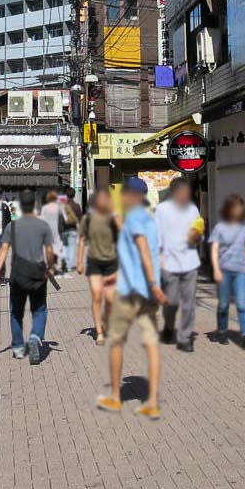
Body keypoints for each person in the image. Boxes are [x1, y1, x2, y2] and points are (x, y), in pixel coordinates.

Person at [98, 177, 169, 419]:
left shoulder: (134, 219)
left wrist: (150, 282)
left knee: (117, 341)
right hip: (147, 291)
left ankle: (117, 397)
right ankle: (151, 400)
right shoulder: (150, 219)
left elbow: (142, 250)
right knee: (151, 343)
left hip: (132, 293)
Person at [0, 190, 58, 364]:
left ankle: (19, 346)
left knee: (15, 310)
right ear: (35, 206)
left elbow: (3, 250)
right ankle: (36, 338)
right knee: (40, 308)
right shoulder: (43, 225)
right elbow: (49, 251)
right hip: (38, 272)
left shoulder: (11, 226)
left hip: (18, 273)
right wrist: (51, 267)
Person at [154, 177, 203, 351]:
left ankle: (185, 338)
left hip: (190, 262)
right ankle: (168, 327)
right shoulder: (161, 210)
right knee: (172, 301)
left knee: (189, 303)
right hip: (169, 263)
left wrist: (197, 236)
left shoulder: (192, 209)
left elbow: (198, 231)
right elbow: (157, 235)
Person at [208, 194, 245, 347]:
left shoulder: (243, 228)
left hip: (240, 270)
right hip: (224, 270)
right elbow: (214, 249)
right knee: (223, 305)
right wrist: (215, 269)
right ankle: (222, 331)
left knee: (242, 304)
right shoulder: (220, 228)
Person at [77, 189, 120, 343]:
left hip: (112, 262)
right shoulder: (87, 219)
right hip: (94, 262)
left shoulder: (114, 218)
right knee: (97, 296)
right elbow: (82, 240)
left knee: (109, 298)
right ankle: (99, 332)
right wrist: (79, 262)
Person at [39, 189, 66, 271]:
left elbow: (42, 220)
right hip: (57, 230)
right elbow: (65, 218)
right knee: (58, 246)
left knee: (48, 247)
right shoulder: (59, 207)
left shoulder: (44, 208)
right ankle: (62, 259)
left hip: (47, 230)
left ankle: (50, 266)